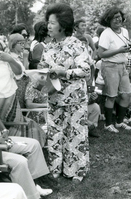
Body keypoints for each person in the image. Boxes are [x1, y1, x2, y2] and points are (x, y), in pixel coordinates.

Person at [0, 62, 52, 199]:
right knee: (20, 162)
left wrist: (3, 128)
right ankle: (32, 196)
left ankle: (33, 184)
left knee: (33, 145)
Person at [39, 3, 91, 183]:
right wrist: (41, 72)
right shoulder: (47, 47)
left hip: (75, 99)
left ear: (63, 24)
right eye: (48, 22)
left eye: (52, 23)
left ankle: (77, 171)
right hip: (54, 97)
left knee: (75, 135)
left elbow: (86, 70)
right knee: (55, 135)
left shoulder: (76, 44)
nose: (49, 26)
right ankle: (55, 170)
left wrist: (64, 72)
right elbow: (44, 69)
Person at [0, 30, 46, 147]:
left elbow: (19, 73)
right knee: (1, 135)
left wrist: (11, 60)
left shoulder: (2, 57)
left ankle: (26, 156)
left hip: (11, 103)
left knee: (19, 132)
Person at [97, 6, 131, 133]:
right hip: (110, 66)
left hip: (122, 66)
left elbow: (124, 47)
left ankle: (119, 122)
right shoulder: (106, 33)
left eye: (119, 17)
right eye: (114, 18)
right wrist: (119, 50)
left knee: (127, 94)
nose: (118, 20)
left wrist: (129, 48)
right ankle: (108, 124)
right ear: (108, 20)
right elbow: (101, 54)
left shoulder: (124, 31)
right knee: (112, 96)